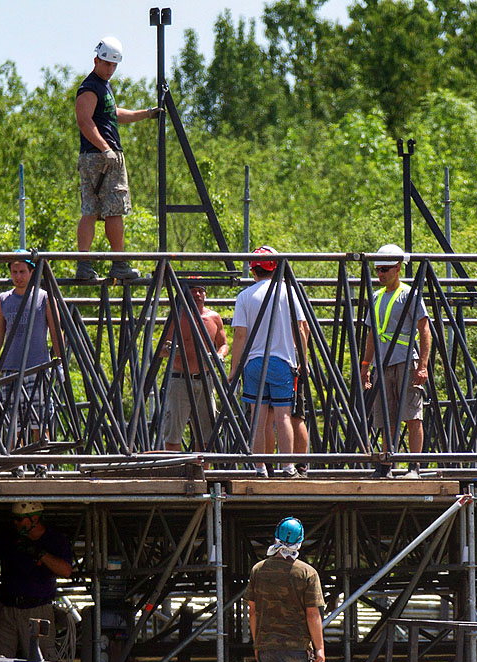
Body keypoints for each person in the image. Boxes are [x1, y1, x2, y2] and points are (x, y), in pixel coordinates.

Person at [74, 36, 160, 282]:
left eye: (114, 65)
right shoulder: (90, 88)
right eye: (106, 64)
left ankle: (85, 265)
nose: (110, 69)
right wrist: (105, 149)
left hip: (97, 156)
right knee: (113, 210)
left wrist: (146, 114)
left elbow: (113, 114)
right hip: (103, 157)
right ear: (96, 61)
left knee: (91, 210)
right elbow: (84, 121)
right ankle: (118, 262)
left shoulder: (103, 88)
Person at [229, 246, 310, 478]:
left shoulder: (244, 296)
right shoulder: (288, 292)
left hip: (254, 363)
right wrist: (302, 361)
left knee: (258, 417)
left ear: (252, 269)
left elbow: (240, 335)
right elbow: (302, 328)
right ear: (275, 269)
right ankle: (288, 466)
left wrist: (235, 368)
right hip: (281, 361)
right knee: (284, 415)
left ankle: (259, 468)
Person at [246, 517, 326, 662]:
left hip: (267, 648)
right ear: (300, 541)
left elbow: (252, 611)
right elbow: (313, 614)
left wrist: (257, 643)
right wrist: (319, 648)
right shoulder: (306, 573)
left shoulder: (258, 570)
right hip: (296, 648)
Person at [359, 244, 432, 479]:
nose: (380, 274)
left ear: (398, 268)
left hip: (404, 361)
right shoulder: (377, 297)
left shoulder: (409, 294)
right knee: (385, 417)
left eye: (385, 269)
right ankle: (387, 465)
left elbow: (424, 329)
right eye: (378, 269)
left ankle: (414, 466)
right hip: (383, 364)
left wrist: (422, 365)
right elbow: (372, 334)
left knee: (412, 414)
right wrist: (365, 365)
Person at [0, 253, 63, 448]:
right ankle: (15, 465)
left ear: (31, 272)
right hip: (10, 368)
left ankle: (41, 466)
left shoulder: (43, 297)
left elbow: (55, 330)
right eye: (14, 272)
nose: (18, 276)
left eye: (22, 272)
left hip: (37, 367)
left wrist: (60, 362)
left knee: (39, 420)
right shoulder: (4, 299)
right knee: (12, 422)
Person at [0, 501, 72, 660]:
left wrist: (41, 554)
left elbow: (66, 570)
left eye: (20, 519)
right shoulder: (9, 539)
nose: (16, 523)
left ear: (35, 518)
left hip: (38, 608)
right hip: (7, 608)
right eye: (14, 519)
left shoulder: (55, 539)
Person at [158, 277, 228, 452]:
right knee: (173, 433)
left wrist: (219, 355)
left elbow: (224, 344)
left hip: (205, 379)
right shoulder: (176, 317)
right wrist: (171, 348)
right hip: (180, 380)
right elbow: (160, 350)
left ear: (205, 294)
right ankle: (175, 474)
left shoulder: (214, 317)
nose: (197, 294)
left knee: (207, 434)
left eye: (200, 290)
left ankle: (202, 474)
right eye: (192, 290)